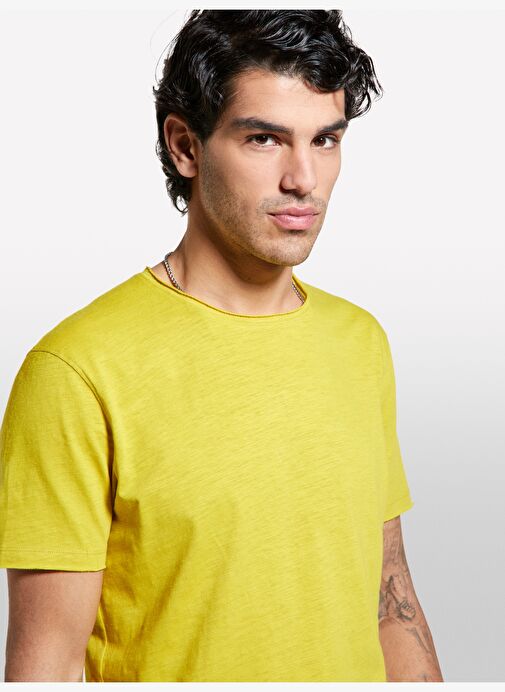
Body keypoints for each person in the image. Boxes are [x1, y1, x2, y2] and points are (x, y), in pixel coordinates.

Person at [0, 10, 443, 683]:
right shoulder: (77, 371)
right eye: (264, 139)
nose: (304, 178)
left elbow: (390, 596)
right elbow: (48, 666)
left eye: (325, 139)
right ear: (185, 146)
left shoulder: (359, 343)